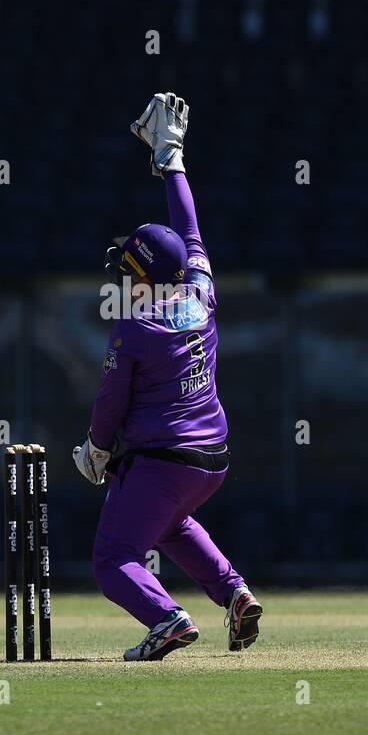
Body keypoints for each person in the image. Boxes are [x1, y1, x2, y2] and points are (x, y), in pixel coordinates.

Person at [72, 93, 263, 661]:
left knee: (113, 559)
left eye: (126, 271)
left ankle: (168, 619)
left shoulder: (134, 328)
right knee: (169, 522)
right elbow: (191, 226)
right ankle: (234, 594)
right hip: (213, 459)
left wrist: (97, 450)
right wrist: (171, 157)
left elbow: (111, 401)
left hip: (163, 459)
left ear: (139, 276)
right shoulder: (201, 290)